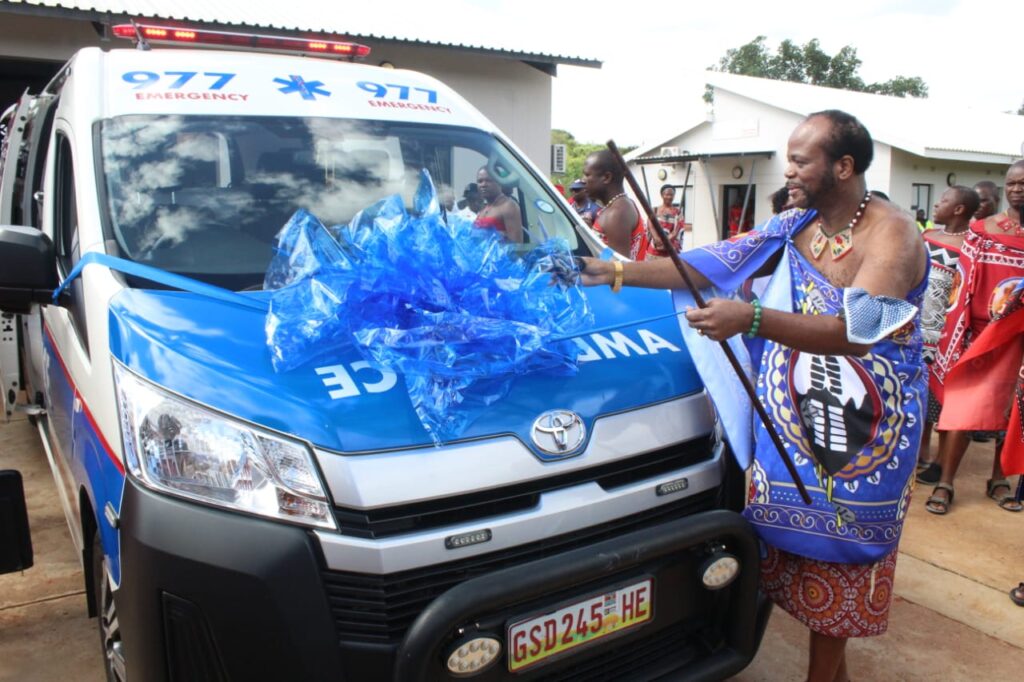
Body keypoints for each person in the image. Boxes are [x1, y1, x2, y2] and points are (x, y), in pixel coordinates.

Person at [575, 110, 926, 682]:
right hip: (791, 426)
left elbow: (860, 336)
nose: (789, 170)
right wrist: (605, 269)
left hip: (861, 439)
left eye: (801, 160)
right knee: (789, 574)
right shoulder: (797, 224)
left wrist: (753, 318)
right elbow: (705, 264)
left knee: (836, 597)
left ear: (843, 166)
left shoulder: (892, 233)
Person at [926, 162, 1024, 514]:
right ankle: (945, 481)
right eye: (1011, 183)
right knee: (964, 408)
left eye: (1023, 183)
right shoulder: (983, 231)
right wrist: (959, 333)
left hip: (1021, 339)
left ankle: (999, 479)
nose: (1016, 189)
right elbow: (963, 286)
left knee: (1014, 411)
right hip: (982, 334)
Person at [915, 186, 979, 485]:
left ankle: (942, 462)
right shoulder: (927, 238)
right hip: (919, 330)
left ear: (959, 210)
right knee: (922, 395)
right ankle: (920, 453)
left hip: (952, 334)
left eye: (943, 201)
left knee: (947, 399)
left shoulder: (974, 245)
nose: (936, 204)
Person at [582, 150, 648, 260]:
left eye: (587, 175)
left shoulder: (616, 213)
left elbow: (618, 269)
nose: (582, 180)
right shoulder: (622, 205)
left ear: (606, 177)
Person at [473, 166, 524, 242]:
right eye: (480, 181)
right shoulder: (483, 209)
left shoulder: (508, 206)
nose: (483, 185)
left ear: (499, 182)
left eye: (488, 180)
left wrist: (496, 238)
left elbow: (516, 245)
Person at [646, 184, 683, 259]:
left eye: (671, 195)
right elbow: (650, 225)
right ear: (662, 195)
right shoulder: (655, 210)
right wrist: (656, 238)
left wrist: (664, 241)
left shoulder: (678, 213)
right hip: (653, 250)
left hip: (670, 252)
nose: (669, 197)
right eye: (667, 194)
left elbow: (677, 230)